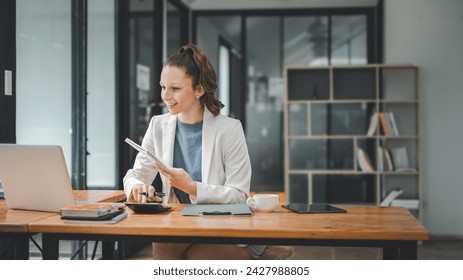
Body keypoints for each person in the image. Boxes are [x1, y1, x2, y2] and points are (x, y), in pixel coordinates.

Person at [123, 44, 265, 260]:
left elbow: (239, 194)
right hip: (179, 223)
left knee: (199, 255)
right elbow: (135, 175)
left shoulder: (229, 129)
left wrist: (193, 188)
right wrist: (137, 187)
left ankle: (257, 252)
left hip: (221, 223)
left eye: (175, 88)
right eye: (162, 87)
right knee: (163, 242)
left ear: (199, 90)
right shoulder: (158, 125)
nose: (165, 96)